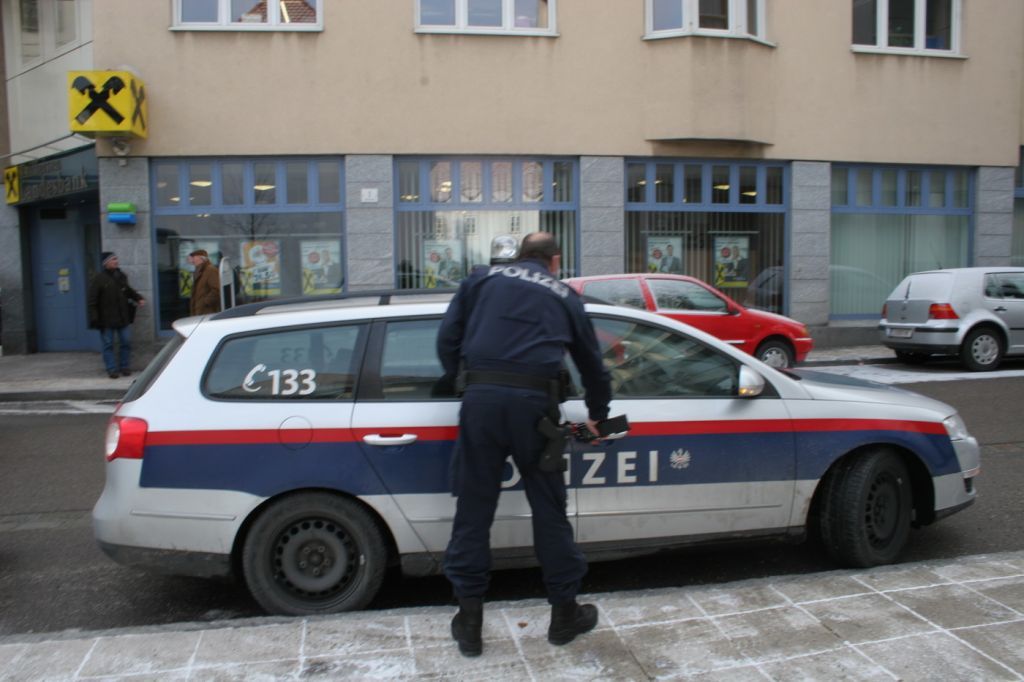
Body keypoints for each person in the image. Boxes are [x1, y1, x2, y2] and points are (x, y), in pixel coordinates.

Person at [436, 232, 612, 657]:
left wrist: (464, 382)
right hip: (536, 408)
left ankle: (469, 622)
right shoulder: (565, 295)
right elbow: (592, 364)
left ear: (519, 255)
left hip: (481, 402)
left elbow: (446, 340)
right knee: (549, 510)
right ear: (555, 261)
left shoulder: (481, 279)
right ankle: (564, 615)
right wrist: (598, 414)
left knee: (474, 509)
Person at [88, 252, 145, 379]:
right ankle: (112, 369)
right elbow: (92, 301)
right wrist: (95, 318)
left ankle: (124, 367)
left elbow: (128, 290)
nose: (116, 261)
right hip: (105, 319)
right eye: (113, 259)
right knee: (108, 345)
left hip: (122, 317)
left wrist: (138, 298)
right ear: (106, 263)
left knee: (126, 342)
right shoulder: (99, 279)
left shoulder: (121, 276)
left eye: (116, 259)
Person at [187, 249, 221, 315]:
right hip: (200, 311)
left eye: (194, 257)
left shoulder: (210, 270)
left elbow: (217, 290)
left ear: (201, 258)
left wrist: (205, 302)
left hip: (207, 311)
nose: (192, 261)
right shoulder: (199, 271)